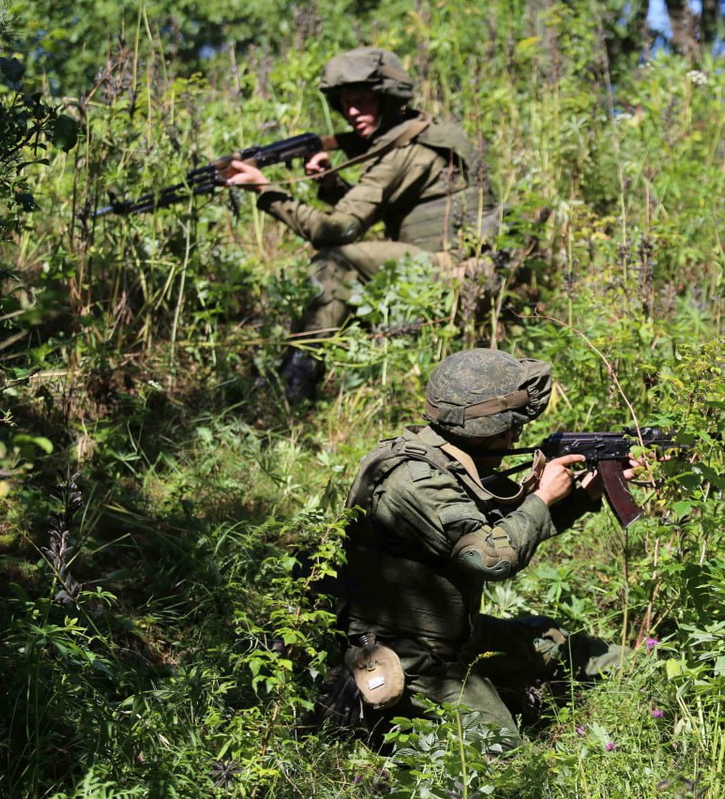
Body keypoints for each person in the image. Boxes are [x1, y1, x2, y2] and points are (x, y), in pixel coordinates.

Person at [333, 348, 628, 748]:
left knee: (563, 644)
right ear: (484, 428)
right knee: (505, 763)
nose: (516, 437)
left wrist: (587, 491)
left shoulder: (450, 460)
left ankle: (652, 675)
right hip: (414, 657)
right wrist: (542, 498)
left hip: (458, 635)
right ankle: (377, 723)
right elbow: (491, 557)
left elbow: (512, 517)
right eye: (509, 429)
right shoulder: (415, 481)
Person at [225, 48, 499, 406]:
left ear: (387, 99)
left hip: (455, 268)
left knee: (337, 260)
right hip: (457, 262)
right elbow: (376, 206)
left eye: (363, 100)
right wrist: (327, 185)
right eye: (345, 103)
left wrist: (265, 190)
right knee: (349, 266)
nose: (352, 111)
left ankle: (294, 379)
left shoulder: (403, 153)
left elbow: (338, 231)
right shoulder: (423, 133)